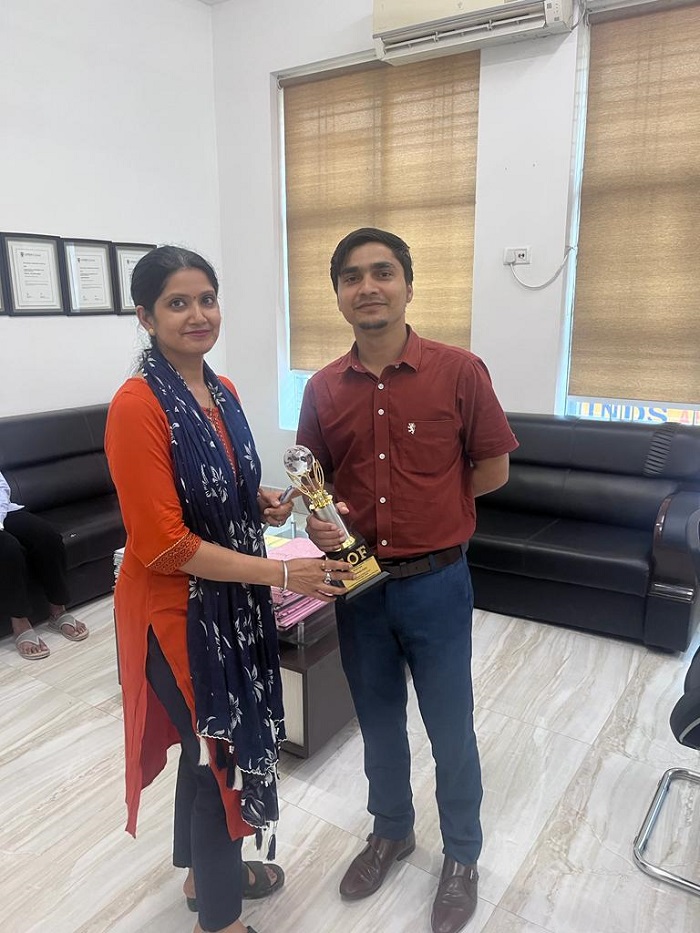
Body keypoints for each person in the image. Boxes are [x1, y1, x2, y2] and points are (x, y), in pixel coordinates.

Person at [105, 246, 351, 933]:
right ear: (146, 316)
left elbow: (219, 492)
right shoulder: (137, 405)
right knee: (221, 756)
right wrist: (284, 571)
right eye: (177, 303)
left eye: (206, 299)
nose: (198, 315)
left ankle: (200, 874)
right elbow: (164, 544)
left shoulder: (223, 390)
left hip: (228, 602)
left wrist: (259, 502)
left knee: (206, 751)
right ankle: (218, 921)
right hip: (175, 613)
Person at [297, 228, 518, 933]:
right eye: (352, 276)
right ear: (338, 294)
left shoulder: (460, 371)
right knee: (378, 721)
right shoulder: (322, 388)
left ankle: (462, 856)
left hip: (437, 584)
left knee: (451, 729)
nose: (368, 287)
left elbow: (493, 468)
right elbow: (317, 486)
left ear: (408, 286)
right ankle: (390, 830)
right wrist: (320, 524)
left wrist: (437, 509)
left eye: (383, 272)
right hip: (360, 586)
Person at [0, 470, 88, 659]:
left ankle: (57, 611)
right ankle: (20, 622)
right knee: (8, 549)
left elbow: (1, 486)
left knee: (47, 538)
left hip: (4, 510)